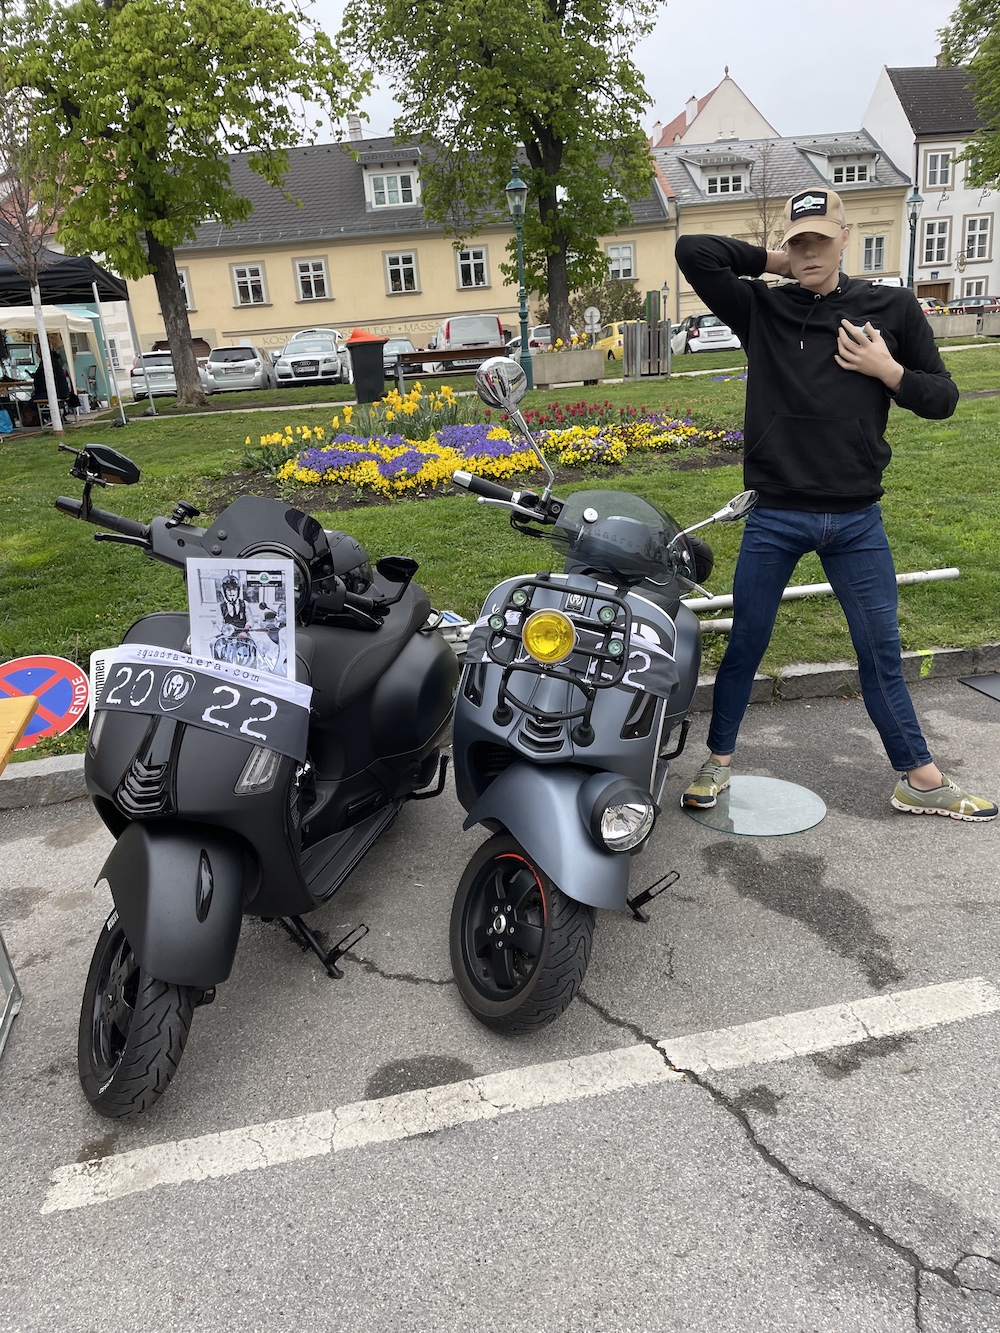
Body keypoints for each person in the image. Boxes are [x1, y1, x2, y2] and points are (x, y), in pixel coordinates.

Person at [674, 187, 997, 822]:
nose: (810, 252)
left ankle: (920, 780)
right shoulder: (761, 308)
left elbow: (943, 398)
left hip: (856, 519)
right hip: (775, 514)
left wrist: (887, 370)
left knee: (879, 650)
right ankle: (718, 762)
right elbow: (694, 251)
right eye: (799, 241)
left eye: (820, 239)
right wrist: (777, 262)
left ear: (845, 236)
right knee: (748, 642)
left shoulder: (891, 308)